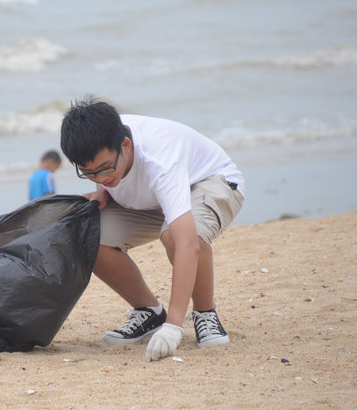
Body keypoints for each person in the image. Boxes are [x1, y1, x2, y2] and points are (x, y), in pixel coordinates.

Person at [59, 97, 245, 362]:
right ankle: (149, 312)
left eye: (105, 169)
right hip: (153, 198)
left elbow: (187, 245)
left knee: (176, 236)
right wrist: (103, 191)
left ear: (125, 145)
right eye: (89, 173)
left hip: (208, 182)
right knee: (87, 235)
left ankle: (205, 314)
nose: (101, 178)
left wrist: (174, 326)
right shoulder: (102, 145)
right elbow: (103, 172)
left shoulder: (160, 160)